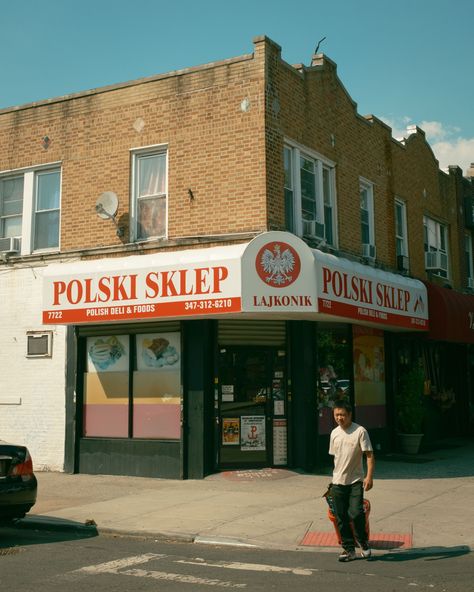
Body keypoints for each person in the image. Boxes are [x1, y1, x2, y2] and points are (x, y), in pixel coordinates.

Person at [329, 400, 374, 562]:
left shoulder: (360, 431)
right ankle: (349, 550)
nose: (339, 418)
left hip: (355, 481)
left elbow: (369, 454)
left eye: (342, 415)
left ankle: (363, 542)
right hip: (337, 481)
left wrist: (369, 476)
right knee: (340, 517)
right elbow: (336, 457)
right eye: (336, 415)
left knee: (355, 513)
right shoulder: (334, 433)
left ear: (349, 415)